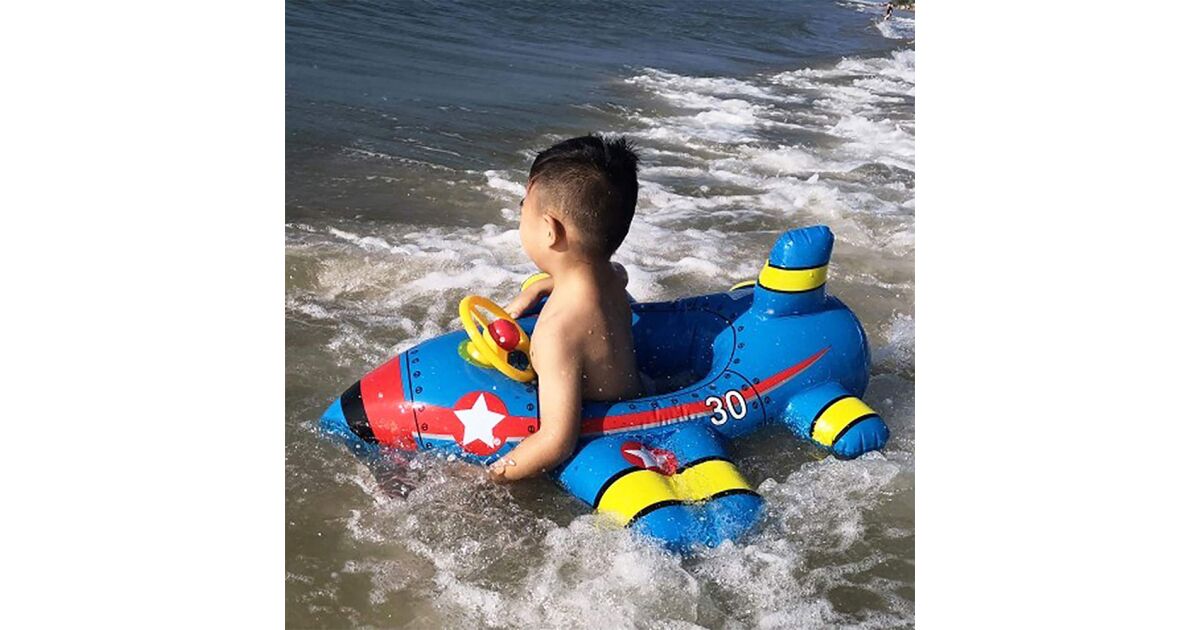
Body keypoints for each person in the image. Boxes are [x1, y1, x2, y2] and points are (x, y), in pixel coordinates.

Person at [487, 134, 643, 482]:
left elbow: (556, 440)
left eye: (523, 207)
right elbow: (612, 273)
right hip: (640, 391)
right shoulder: (613, 278)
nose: (520, 214)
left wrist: (487, 477)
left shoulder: (558, 331)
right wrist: (539, 287)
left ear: (549, 231)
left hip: (611, 437)